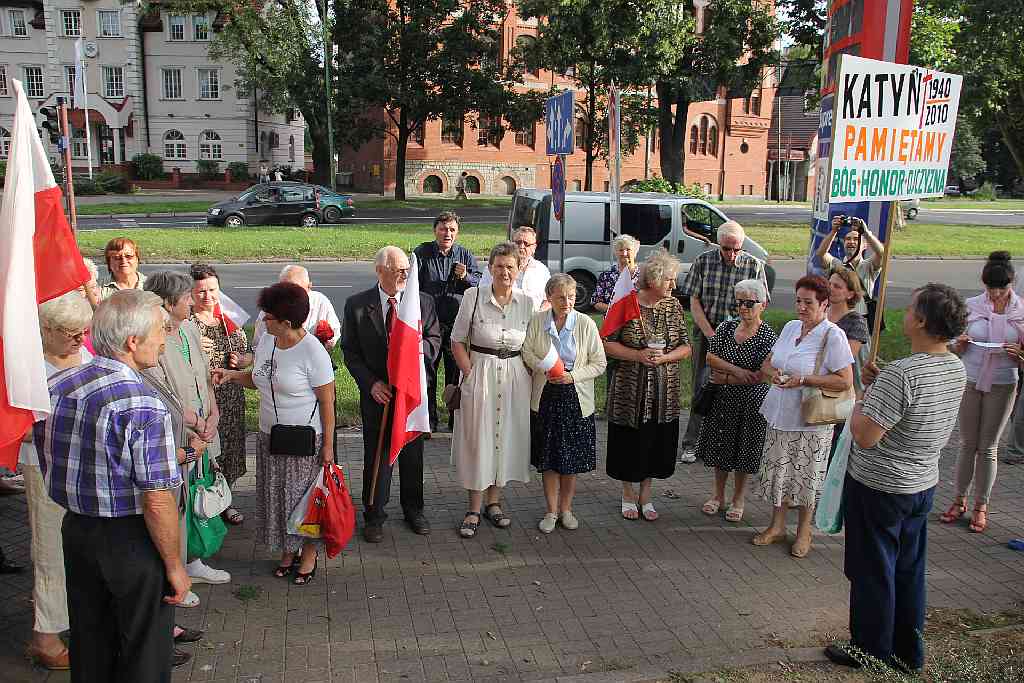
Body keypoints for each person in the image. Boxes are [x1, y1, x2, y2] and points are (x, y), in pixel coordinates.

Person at [35, 290, 190, 682]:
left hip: (77, 529)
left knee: (90, 641)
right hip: (131, 538)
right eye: (160, 330)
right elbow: (157, 499)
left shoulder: (58, 387)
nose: (164, 339)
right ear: (132, 341)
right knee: (145, 652)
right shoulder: (143, 403)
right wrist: (175, 566)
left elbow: (49, 457)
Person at [825, 284, 967, 673]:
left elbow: (865, 435)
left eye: (909, 309)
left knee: (872, 570)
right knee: (908, 569)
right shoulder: (954, 366)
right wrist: (880, 383)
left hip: (880, 486)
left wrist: (863, 397)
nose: (903, 314)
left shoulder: (903, 374)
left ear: (921, 321)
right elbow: (912, 406)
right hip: (921, 483)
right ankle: (908, 650)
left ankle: (870, 648)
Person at [213, 283, 336, 583]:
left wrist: (328, 447)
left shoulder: (312, 352)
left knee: (302, 502)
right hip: (270, 437)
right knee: (278, 498)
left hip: (303, 442)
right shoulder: (268, 341)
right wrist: (231, 375)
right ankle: (287, 550)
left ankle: (308, 553)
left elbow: (328, 402)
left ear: (287, 322)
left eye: (269, 317)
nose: (263, 320)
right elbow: (260, 379)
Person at [341, 247, 441, 543]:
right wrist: (371, 384)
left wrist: (413, 361)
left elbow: (434, 339)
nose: (404, 275)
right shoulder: (357, 305)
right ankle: (374, 515)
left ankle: (414, 510)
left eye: (406, 270)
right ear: (380, 270)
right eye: (398, 270)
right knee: (377, 456)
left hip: (411, 396)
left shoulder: (422, 301)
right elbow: (350, 352)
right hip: (378, 397)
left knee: (412, 456)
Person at [754, 275, 854, 558]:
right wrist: (775, 375)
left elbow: (845, 380)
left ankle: (804, 531)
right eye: (798, 301)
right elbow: (767, 363)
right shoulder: (790, 327)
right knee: (780, 472)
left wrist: (804, 380)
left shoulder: (833, 335)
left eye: (808, 303)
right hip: (779, 414)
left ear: (824, 304)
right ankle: (777, 526)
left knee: (806, 475)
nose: (801, 307)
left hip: (810, 421)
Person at [19, 291, 93, 670]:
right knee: (50, 549)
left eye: (83, 330)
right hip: (46, 467)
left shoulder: (86, 354)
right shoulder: (27, 369)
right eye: (70, 332)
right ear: (45, 329)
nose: (80, 339)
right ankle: (45, 637)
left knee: (82, 546)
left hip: (86, 466)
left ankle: (78, 618)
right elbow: (18, 429)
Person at [144, 271, 231, 589]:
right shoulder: (154, 338)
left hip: (202, 429)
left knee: (196, 495)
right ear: (168, 303)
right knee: (175, 502)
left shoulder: (190, 328)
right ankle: (174, 571)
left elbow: (205, 377)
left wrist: (214, 413)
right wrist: (195, 422)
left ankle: (192, 561)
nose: (192, 302)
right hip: (179, 434)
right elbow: (159, 390)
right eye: (185, 298)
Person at [451, 242, 536, 537]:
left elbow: (533, 344)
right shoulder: (473, 296)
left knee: (504, 437)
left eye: (510, 266)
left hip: (514, 379)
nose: (504, 272)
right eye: (499, 266)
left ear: (518, 269)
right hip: (481, 375)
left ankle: (494, 503)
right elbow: (457, 340)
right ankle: (473, 508)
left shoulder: (526, 302)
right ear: (489, 268)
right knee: (479, 440)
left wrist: (528, 373)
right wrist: (469, 373)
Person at [603, 250, 692, 521]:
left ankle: (646, 494)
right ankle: (627, 492)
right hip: (630, 390)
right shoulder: (626, 303)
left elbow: (686, 346)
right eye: (669, 279)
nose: (674, 284)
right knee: (629, 442)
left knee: (655, 440)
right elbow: (606, 343)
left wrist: (664, 358)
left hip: (664, 392)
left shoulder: (673, 306)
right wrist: (637, 355)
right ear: (653, 280)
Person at [940, 252, 1024, 534]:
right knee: (967, 443)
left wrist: (1019, 354)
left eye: (1002, 288)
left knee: (988, 447)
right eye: (991, 288)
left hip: (1003, 381)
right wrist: (959, 345)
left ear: (1012, 283)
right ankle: (958, 499)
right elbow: (953, 343)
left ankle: (981, 505)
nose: (996, 294)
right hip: (971, 378)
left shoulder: (1021, 310)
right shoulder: (971, 306)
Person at [523, 274, 607, 533]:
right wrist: (544, 368)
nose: (567, 302)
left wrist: (572, 376)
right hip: (546, 396)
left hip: (575, 398)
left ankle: (566, 510)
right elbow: (527, 352)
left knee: (571, 459)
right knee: (549, 458)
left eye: (571, 297)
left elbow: (599, 363)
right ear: (549, 297)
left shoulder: (585, 324)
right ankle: (550, 511)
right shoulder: (537, 321)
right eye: (560, 297)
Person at [678, 221, 768, 462]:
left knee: (735, 386)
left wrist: (744, 333)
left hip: (740, 335)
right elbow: (694, 301)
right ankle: (691, 443)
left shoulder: (753, 265)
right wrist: (711, 334)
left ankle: (724, 443)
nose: (732, 254)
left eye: (737, 249)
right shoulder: (703, 261)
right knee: (702, 386)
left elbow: (761, 304)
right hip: (708, 330)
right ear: (718, 244)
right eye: (727, 249)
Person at [697, 279, 777, 524]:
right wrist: (738, 371)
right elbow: (711, 358)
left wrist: (726, 376)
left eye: (749, 303)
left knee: (745, 451)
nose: (743, 307)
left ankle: (739, 499)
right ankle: (718, 495)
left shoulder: (767, 335)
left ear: (762, 305)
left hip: (752, 402)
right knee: (721, 446)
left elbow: (759, 376)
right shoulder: (726, 327)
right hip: (723, 399)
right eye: (740, 302)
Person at [190, 263, 251, 526]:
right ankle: (207, 502)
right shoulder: (187, 323)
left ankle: (227, 500)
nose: (208, 296)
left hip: (232, 396)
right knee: (209, 450)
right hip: (205, 398)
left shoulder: (228, 317)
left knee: (231, 448)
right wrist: (195, 349)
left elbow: (249, 353)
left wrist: (243, 359)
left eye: (212, 290)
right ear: (191, 293)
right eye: (201, 291)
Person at [414, 211, 483, 433]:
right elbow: (411, 286)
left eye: (452, 229)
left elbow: (480, 283)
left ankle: (455, 421)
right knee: (428, 373)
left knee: (455, 375)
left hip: (456, 325)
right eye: (443, 229)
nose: (448, 233)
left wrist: (465, 277)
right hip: (429, 326)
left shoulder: (464, 255)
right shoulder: (422, 253)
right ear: (435, 230)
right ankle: (429, 421)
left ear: (457, 232)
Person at [252, 265, 342, 349]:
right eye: (283, 289)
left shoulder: (320, 301)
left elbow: (334, 330)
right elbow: (258, 344)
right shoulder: (270, 306)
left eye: (295, 290)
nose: (288, 295)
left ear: (309, 286)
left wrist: (328, 341)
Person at [815, 215, 884, 317]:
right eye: (848, 239)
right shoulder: (836, 265)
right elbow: (821, 254)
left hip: (862, 318)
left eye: (856, 239)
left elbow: (881, 254)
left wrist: (866, 233)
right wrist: (834, 231)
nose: (851, 242)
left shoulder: (868, 266)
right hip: (838, 318)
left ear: (865, 245)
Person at [480, 226, 551, 310]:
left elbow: (548, 300)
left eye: (526, 244)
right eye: (518, 243)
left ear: (534, 247)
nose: (521, 247)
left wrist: (539, 313)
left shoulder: (542, 270)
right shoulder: (494, 268)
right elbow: (483, 295)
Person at [827, 268, 870, 397]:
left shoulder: (856, 322)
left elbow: (846, 358)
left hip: (845, 390)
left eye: (837, 286)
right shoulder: (819, 313)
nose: (830, 288)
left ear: (850, 294)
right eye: (829, 284)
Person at [591, 234, 640, 313]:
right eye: (621, 250)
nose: (624, 253)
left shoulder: (643, 275)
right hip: (613, 319)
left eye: (628, 249)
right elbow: (596, 301)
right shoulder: (606, 276)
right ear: (615, 253)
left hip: (638, 319)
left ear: (635, 252)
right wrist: (615, 310)